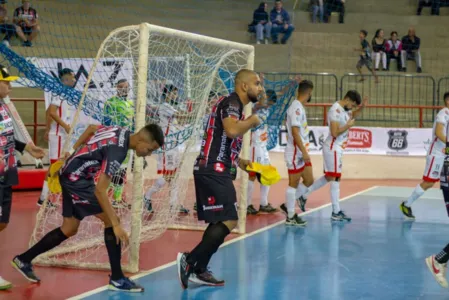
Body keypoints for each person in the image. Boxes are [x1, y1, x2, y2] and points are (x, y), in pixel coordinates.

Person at [12, 123, 164, 292]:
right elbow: (100, 191)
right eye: (150, 149)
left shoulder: (119, 131)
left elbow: (92, 128)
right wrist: (116, 224)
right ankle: (117, 279)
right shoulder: (118, 152)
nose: (148, 154)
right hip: (77, 180)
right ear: (142, 139)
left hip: (72, 173)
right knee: (111, 220)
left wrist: (72, 150)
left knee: (69, 228)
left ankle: (23, 259)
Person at [177, 69, 262, 288]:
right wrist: (253, 121)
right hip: (213, 170)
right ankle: (190, 261)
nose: (260, 88)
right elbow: (232, 130)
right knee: (230, 219)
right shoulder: (232, 103)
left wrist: (240, 162)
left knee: (221, 220)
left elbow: (224, 139)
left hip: (217, 168)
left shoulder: (233, 105)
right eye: (257, 83)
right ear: (243, 86)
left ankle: (199, 268)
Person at [0, 64, 45, 290]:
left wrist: (27, 148)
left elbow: (6, 138)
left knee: (2, 222)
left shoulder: (3, 107)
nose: (10, 86)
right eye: (6, 82)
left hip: (7, 171)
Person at [296, 91, 367, 221]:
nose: (352, 108)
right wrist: (347, 126)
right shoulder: (335, 110)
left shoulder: (345, 109)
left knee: (329, 177)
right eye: (353, 105)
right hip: (333, 147)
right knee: (335, 178)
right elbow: (334, 133)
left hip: (337, 148)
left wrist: (361, 108)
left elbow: (352, 114)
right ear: (348, 100)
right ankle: (336, 211)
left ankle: (304, 196)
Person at [400, 92, 449, 220]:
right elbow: (439, 132)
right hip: (437, 154)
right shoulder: (444, 113)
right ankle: (406, 204)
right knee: (428, 182)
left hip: (445, 154)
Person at [144, 84, 190, 214]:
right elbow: (182, 116)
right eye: (173, 93)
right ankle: (147, 196)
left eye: (176, 93)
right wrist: (196, 113)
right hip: (167, 147)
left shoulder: (172, 107)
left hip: (174, 146)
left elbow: (180, 120)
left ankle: (173, 204)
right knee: (169, 176)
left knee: (174, 176)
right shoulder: (165, 107)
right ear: (167, 94)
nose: (175, 95)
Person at [37, 68, 76, 207]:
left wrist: (47, 128)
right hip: (59, 135)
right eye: (73, 77)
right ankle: (43, 198)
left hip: (61, 134)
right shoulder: (59, 92)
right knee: (54, 167)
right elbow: (52, 112)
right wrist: (64, 126)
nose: (75, 80)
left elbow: (49, 111)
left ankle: (58, 195)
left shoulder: (65, 93)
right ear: (65, 79)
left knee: (63, 165)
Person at [279, 80, 314, 226]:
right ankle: (291, 216)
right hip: (295, 152)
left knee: (309, 180)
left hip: (300, 151)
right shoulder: (296, 108)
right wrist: (304, 152)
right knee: (293, 184)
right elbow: (294, 132)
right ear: (309, 92)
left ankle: (288, 205)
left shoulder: (299, 107)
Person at [102, 79, 134, 207]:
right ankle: (103, 196)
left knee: (122, 170)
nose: (124, 90)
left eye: (126, 87)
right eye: (121, 87)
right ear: (116, 88)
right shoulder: (110, 102)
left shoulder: (130, 103)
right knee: (112, 169)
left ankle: (118, 199)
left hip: (128, 140)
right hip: (115, 139)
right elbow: (105, 121)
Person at [246, 89, 278, 215]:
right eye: (269, 101)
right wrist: (261, 103)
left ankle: (264, 203)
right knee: (252, 174)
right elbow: (252, 110)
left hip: (263, 146)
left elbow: (278, 94)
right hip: (255, 145)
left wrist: (292, 84)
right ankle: (247, 204)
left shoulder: (268, 109)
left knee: (268, 174)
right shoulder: (254, 106)